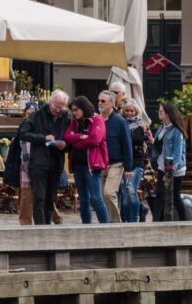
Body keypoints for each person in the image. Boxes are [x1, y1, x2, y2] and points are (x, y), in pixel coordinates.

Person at [21, 89, 72, 225]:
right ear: (50, 103)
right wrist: (43, 138)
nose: (58, 110)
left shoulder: (66, 119)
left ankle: (47, 226)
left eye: (61, 107)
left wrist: (64, 146)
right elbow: (23, 133)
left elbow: (71, 141)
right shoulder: (37, 116)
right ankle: (40, 228)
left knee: (50, 198)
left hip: (56, 162)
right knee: (39, 197)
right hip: (39, 163)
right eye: (56, 106)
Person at [65, 95, 110, 225]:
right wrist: (81, 137)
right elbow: (67, 136)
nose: (74, 113)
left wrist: (76, 141)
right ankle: (86, 226)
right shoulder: (75, 122)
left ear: (84, 108)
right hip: (78, 165)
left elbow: (95, 139)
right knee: (83, 199)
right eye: (72, 110)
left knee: (96, 198)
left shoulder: (98, 120)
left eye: (76, 110)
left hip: (91, 165)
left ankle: (105, 227)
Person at [99, 89, 133, 222]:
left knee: (109, 193)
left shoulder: (120, 121)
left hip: (116, 164)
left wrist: (128, 167)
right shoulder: (96, 120)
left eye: (103, 101)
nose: (100, 103)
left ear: (112, 103)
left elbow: (127, 143)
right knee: (100, 196)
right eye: (99, 101)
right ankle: (105, 222)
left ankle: (115, 223)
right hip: (99, 164)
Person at [151, 103, 188, 221]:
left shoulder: (177, 131)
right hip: (163, 165)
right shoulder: (162, 127)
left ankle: (184, 221)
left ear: (168, 114)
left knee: (175, 196)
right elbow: (157, 145)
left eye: (161, 111)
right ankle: (156, 221)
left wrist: (169, 172)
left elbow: (177, 154)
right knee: (159, 193)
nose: (159, 113)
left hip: (175, 168)